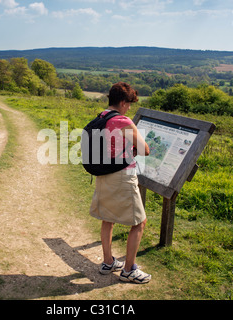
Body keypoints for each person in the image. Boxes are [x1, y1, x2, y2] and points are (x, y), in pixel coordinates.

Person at [89, 82, 151, 284]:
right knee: (139, 222)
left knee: (108, 218)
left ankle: (108, 262)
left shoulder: (101, 116)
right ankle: (129, 270)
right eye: (129, 104)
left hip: (103, 174)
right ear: (123, 102)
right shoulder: (123, 121)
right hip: (122, 176)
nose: (130, 108)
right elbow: (145, 150)